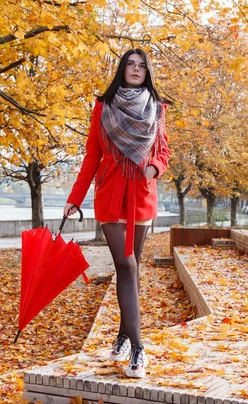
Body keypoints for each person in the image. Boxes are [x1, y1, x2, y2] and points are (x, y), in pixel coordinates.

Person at [63, 48, 171, 378]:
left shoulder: (157, 108)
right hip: (110, 194)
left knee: (130, 270)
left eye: (141, 66)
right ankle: (139, 350)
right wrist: (75, 197)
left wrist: (154, 167)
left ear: (146, 71)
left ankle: (124, 336)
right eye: (130, 65)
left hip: (140, 194)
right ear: (122, 70)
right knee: (126, 264)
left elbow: (164, 150)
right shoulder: (102, 107)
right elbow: (91, 156)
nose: (136, 69)